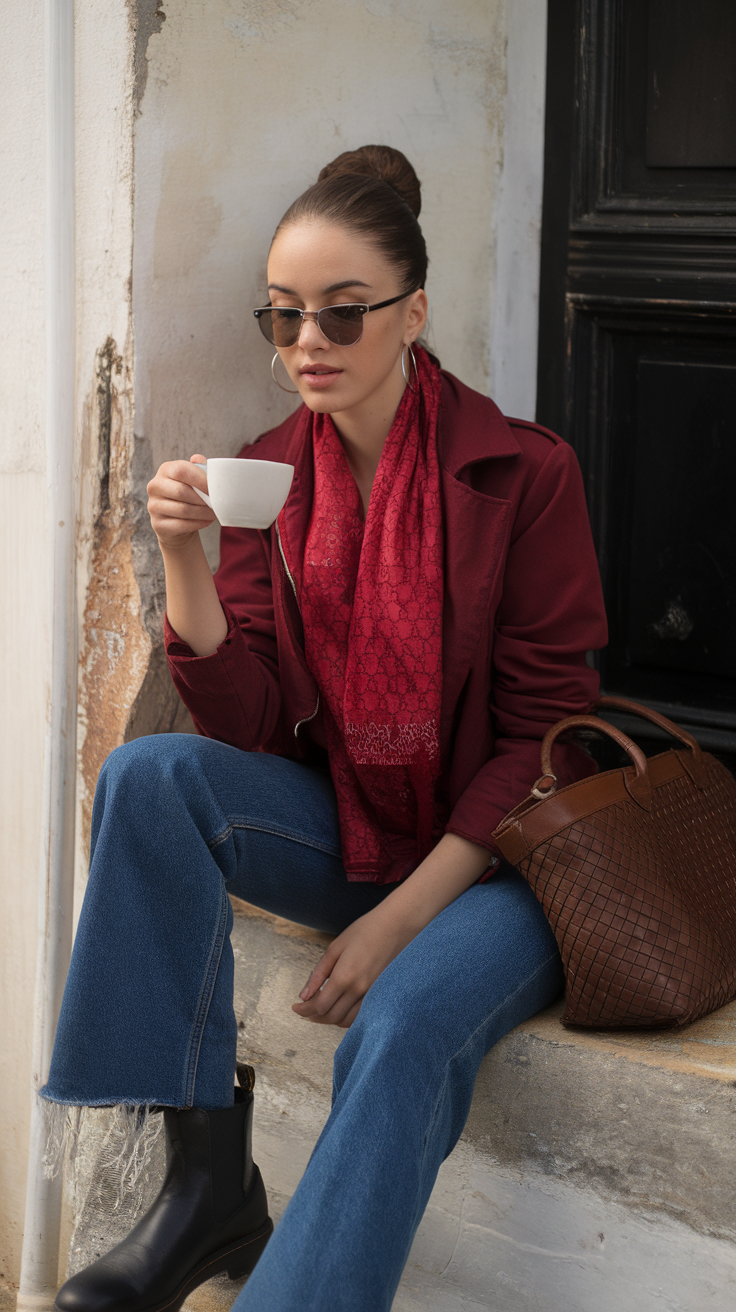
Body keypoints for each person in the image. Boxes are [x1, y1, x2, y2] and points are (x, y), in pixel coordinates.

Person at [41, 144, 608, 1312]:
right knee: (153, 777)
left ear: (413, 314)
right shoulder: (268, 476)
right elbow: (245, 726)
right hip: (350, 822)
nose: (309, 342)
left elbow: (544, 736)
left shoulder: (521, 473)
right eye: (286, 314)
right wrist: (184, 551)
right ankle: (203, 1181)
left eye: (343, 316)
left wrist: (396, 923)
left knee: (397, 1029)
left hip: (507, 860)